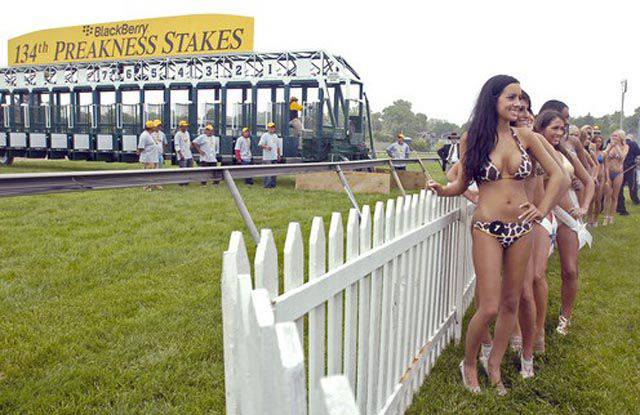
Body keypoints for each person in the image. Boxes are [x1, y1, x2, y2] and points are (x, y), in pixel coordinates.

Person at [428, 75, 566, 395]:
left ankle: (494, 368)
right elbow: (461, 185)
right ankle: (468, 363)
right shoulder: (473, 138)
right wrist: (443, 190)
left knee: (511, 302)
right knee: (489, 306)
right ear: (493, 100)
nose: (518, 103)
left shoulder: (527, 137)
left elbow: (558, 175)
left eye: (520, 97)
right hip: (487, 226)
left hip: (522, 228)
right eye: (511, 97)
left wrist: (542, 208)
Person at [535, 111, 594, 340]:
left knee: (570, 269)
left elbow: (589, 181)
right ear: (541, 128)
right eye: (555, 128)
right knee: (537, 273)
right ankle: (535, 320)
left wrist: (585, 206)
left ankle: (564, 317)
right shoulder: (532, 150)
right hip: (544, 213)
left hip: (568, 216)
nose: (560, 133)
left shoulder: (566, 152)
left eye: (562, 129)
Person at [603, 130, 628, 224]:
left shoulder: (625, 147)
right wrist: (607, 176)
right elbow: (605, 159)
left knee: (615, 196)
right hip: (609, 172)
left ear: (621, 137)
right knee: (607, 195)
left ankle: (611, 216)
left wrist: (616, 146)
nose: (613, 137)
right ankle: (605, 217)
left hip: (619, 173)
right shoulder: (609, 146)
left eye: (616, 136)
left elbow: (622, 158)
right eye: (612, 135)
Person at [616, 133, 640, 215]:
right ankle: (635, 200)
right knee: (632, 185)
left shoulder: (619, 144)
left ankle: (619, 204)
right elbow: (638, 153)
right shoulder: (633, 143)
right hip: (630, 167)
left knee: (620, 186)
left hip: (620, 168)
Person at [137, 120, 161, 191]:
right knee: (147, 173)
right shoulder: (144, 135)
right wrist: (139, 152)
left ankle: (154, 185)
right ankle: (146, 187)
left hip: (153, 157)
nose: (155, 128)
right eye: (153, 127)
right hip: (148, 158)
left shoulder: (149, 134)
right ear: (151, 128)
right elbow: (141, 147)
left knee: (154, 172)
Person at [259, 122, 281, 188]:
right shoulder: (265, 135)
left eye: (272, 127)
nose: (271, 129)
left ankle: (273, 185)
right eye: (269, 127)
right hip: (267, 158)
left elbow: (278, 146)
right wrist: (266, 147)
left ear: (274, 128)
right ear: (268, 128)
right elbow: (260, 144)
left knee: (274, 172)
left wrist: (279, 155)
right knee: (267, 172)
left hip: (274, 157)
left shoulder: (276, 136)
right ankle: (267, 186)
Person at [174, 120, 193, 186]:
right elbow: (176, 145)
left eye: (186, 126)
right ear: (180, 127)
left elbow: (188, 141)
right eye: (184, 126)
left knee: (189, 168)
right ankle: (182, 183)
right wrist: (180, 154)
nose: (185, 128)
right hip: (182, 155)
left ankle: (187, 182)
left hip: (189, 154)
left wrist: (190, 145)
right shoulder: (178, 134)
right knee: (183, 169)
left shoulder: (187, 133)